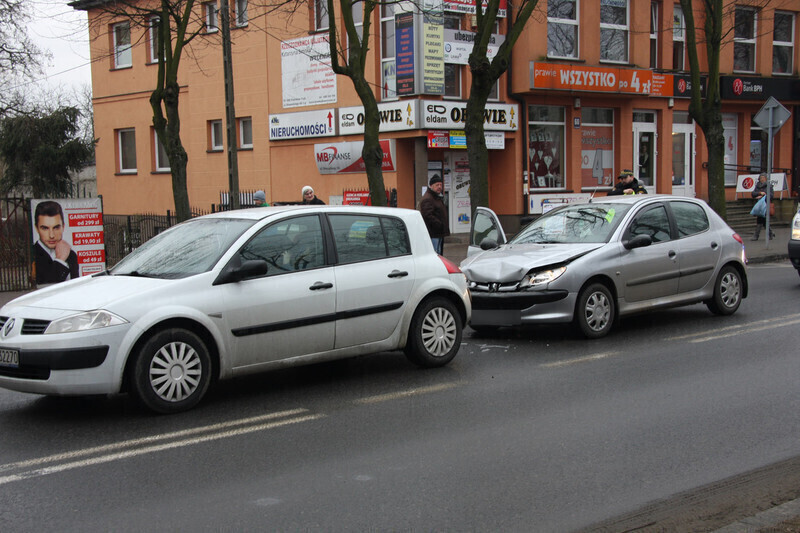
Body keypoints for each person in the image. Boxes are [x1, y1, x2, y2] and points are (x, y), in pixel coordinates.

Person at [33, 200, 79, 284]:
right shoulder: (33, 253)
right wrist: (60, 260)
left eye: (56, 227)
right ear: (36, 228)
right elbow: (47, 285)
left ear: (63, 227)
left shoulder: (71, 255)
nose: (51, 235)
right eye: (45, 228)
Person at [419, 174, 449, 254]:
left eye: (440, 185)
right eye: (437, 185)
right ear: (431, 186)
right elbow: (427, 215)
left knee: (439, 254)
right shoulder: (428, 198)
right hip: (433, 233)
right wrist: (439, 224)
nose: (439, 187)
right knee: (435, 254)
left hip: (438, 233)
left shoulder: (436, 197)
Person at [751, 172, 775, 241]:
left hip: (765, 205)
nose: (762, 179)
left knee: (760, 220)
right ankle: (770, 234)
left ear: (766, 179)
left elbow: (771, 195)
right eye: (761, 178)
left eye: (763, 178)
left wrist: (764, 195)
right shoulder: (757, 186)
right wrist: (759, 193)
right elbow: (753, 194)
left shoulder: (769, 186)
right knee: (764, 220)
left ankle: (756, 236)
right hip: (759, 205)